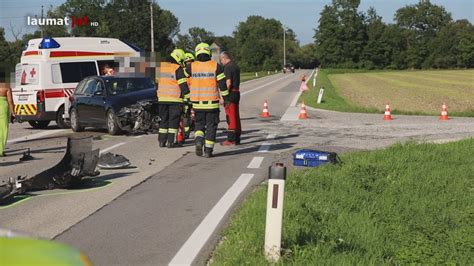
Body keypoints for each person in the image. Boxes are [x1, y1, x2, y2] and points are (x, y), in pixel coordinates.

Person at [186, 43, 229, 158]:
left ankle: (199, 140)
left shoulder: (191, 67)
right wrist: (225, 98)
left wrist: (187, 95)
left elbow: (183, 79)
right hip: (212, 104)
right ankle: (208, 151)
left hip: (197, 104)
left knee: (199, 125)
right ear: (208, 52)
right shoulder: (216, 66)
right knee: (211, 126)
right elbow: (223, 84)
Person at [156, 48, 190, 148]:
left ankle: (161, 141)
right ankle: (171, 142)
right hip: (175, 99)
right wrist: (188, 98)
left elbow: (156, 83)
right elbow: (183, 85)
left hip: (162, 99)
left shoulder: (160, 66)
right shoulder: (177, 68)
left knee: (163, 120)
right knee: (173, 121)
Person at [220, 51, 242, 145]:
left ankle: (231, 139)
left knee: (230, 116)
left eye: (221, 60)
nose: (221, 62)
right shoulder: (235, 66)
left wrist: (224, 97)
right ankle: (237, 137)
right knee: (236, 116)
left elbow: (228, 82)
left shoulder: (227, 67)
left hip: (230, 94)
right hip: (237, 92)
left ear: (224, 58)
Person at [0, 69, 16, 156]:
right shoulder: (6, 87)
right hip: (3, 107)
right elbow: (10, 101)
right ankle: (0, 150)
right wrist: (13, 112)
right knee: (3, 129)